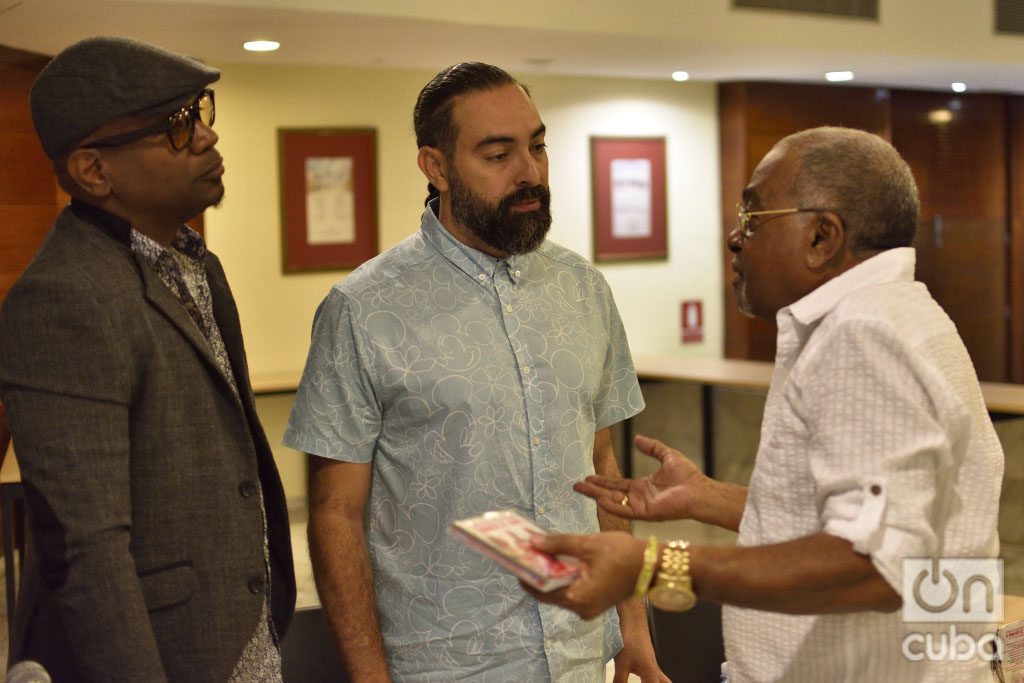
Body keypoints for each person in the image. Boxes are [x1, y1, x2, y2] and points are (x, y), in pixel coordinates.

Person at [528, 126, 1005, 682]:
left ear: (823, 237)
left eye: (752, 219)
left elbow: (876, 565)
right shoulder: (899, 315)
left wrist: (657, 565)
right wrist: (707, 498)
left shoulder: (863, 336)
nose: (734, 238)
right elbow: (870, 514)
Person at [283, 62, 665, 682]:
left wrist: (634, 631)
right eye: (498, 154)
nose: (530, 172)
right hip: (445, 663)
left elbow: (603, 469)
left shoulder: (584, 290)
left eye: (537, 146)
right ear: (435, 167)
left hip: (580, 652)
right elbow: (335, 516)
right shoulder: (362, 309)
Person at [0, 36, 296, 682]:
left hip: (240, 639)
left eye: (202, 113)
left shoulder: (196, 262)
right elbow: (88, 549)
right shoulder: (64, 297)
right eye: (177, 127)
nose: (207, 139)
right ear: (94, 171)